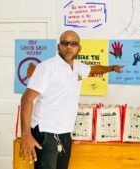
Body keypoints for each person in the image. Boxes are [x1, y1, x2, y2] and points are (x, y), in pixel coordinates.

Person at [19, 30, 124, 169]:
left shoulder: (79, 68)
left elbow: (94, 70)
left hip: (65, 132)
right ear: (58, 47)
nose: (69, 47)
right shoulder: (47, 67)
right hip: (46, 132)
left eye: (73, 44)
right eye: (65, 43)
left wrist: (111, 68)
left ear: (79, 48)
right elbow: (27, 98)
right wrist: (26, 134)